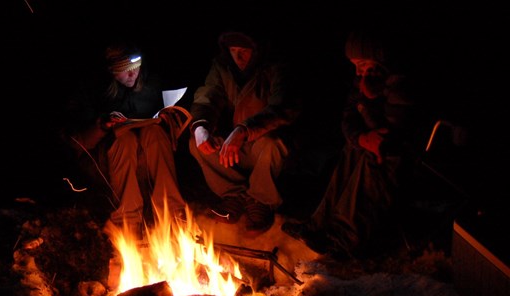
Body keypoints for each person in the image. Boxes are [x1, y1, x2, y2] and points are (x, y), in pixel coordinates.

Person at [281, 28, 436, 259]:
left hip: (407, 155)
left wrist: (369, 100)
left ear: (378, 59)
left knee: (375, 156)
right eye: (354, 65)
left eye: (361, 64)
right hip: (380, 143)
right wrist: (361, 137)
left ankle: (344, 239)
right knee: (354, 148)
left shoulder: (401, 84)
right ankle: (317, 226)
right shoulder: (364, 79)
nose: (357, 71)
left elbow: (392, 133)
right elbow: (348, 117)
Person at [60, 41, 188, 237]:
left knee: (155, 134)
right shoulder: (95, 89)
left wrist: (167, 119)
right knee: (125, 139)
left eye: (135, 69)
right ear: (112, 71)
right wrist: (102, 126)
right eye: (125, 71)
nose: (132, 75)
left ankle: (173, 213)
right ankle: (128, 220)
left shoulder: (151, 83)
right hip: (114, 146)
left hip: (148, 137)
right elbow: (77, 136)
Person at [188, 30, 303, 237]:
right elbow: (208, 96)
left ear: (256, 51)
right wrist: (200, 126)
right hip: (236, 145)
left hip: (265, 143)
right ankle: (235, 196)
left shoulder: (276, 68)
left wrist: (244, 130)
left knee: (272, 143)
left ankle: (260, 201)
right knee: (197, 143)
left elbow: (282, 107)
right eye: (233, 51)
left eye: (244, 51)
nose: (238, 57)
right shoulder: (223, 67)